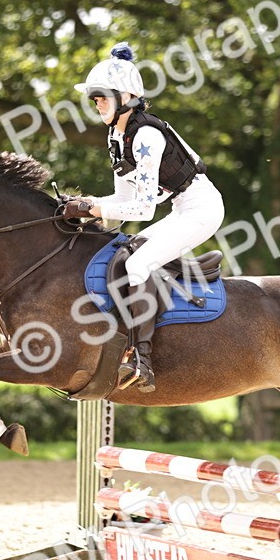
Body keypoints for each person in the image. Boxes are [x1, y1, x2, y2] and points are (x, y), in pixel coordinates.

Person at [66, 42, 225, 392]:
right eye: (94, 99)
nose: (97, 105)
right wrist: (86, 208)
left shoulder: (146, 136)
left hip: (203, 208)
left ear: (125, 96)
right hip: (181, 209)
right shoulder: (118, 136)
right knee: (124, 253)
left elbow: (144, 208)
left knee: (138, 265)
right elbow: (122, 200)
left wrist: (93, 206)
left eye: (101, 97)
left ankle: (141, 359)